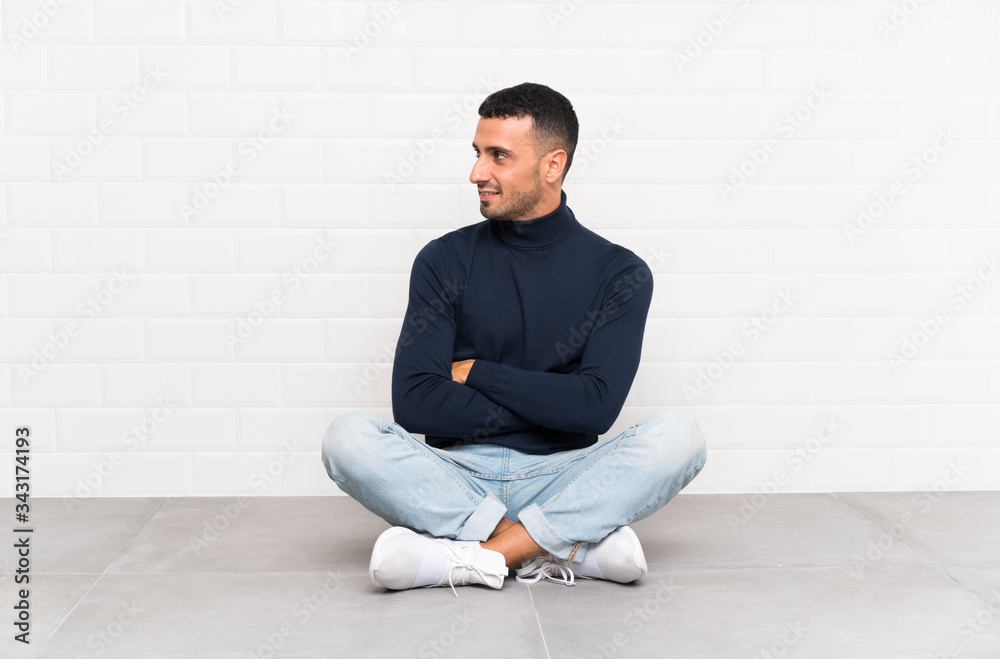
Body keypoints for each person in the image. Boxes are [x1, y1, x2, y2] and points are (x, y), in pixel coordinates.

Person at [321, 82, 707, 596]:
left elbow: (594, 411)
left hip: (563, 474)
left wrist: (477, 372)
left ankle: (474, 557)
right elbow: (416, 405)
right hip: (456, 475)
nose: (477, 172)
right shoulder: (443, 259)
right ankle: (562, 546)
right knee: (346, 438)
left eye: (498, 156)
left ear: (552, 165)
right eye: (478, 153)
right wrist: (557, 400)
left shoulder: (619, 272)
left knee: (681, 437)